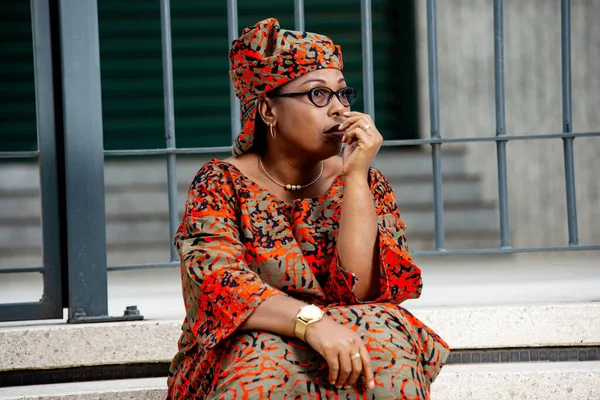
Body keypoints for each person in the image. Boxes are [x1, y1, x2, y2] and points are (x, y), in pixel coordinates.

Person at [167, 18, 449, 399]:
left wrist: (355, 178)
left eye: (342, 94)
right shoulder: (220, 184)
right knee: (262, 353)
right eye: (318, 95)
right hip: (249, 342)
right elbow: (222, 287)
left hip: (344, 337)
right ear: (268, 109)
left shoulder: (364, 181)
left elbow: (362, 294)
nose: (339, 110)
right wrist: (311, 323)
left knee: (383, 330)